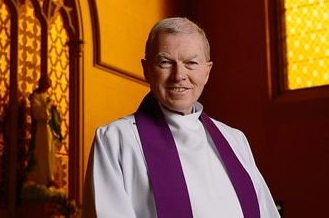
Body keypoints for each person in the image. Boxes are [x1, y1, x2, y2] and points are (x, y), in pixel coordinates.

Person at [83, 17, 280, 218]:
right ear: (146, 70)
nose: (179, 75)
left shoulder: (235, 140)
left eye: (191, 63)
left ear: (207, 72)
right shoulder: (115, 140)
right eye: (166, 62)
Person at [28, 75, 62, 187]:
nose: (48, 86)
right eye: (46, 83)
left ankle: (50, 177)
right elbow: (37, 113)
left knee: (51, 151)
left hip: (50, 128)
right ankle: (43, 178)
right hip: (42, 128)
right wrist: (47, 106)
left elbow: (53, 114)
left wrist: (54, 110)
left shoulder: (48, 96)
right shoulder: (36, 96)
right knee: (44, 150)